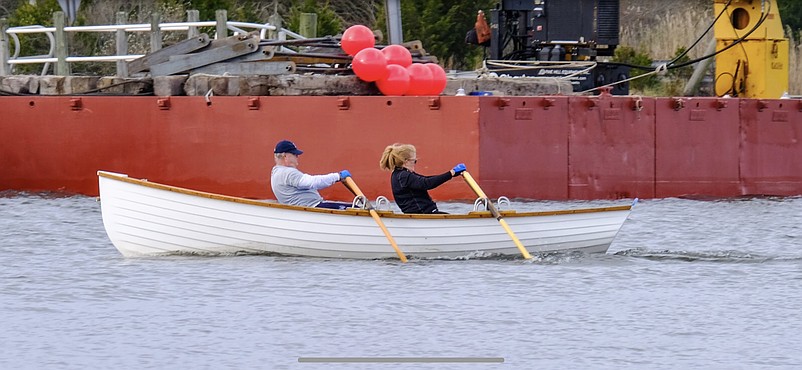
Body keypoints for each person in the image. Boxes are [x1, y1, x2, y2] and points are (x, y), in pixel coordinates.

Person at [379, 143, 466, 214]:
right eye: (414, 161)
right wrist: (451, 173)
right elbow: (427, 183)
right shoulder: (404, 176)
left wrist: (451, 174)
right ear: (406, 162)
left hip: (421, 213)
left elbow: (426, 179)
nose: (415, 163)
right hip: (422, 213)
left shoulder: (399, 174)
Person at [271, 140, 352, 210]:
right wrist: (338, 176)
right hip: (311, 207)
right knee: (356, 207)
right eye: (295, 154)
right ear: (285, 156)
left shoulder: (275, 171)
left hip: (305, 208)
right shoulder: (288, 173)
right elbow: (312, 182)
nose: (297, 157)